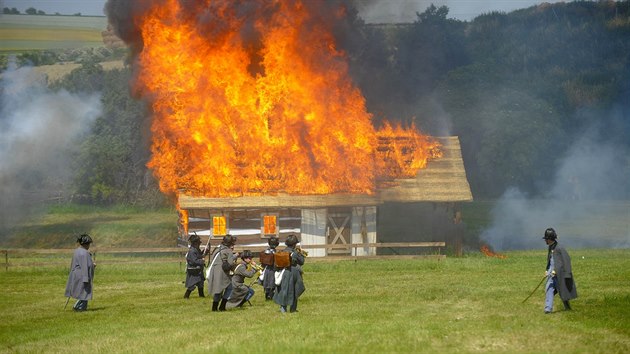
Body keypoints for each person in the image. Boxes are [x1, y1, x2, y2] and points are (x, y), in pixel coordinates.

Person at [543, 227, 577, 313]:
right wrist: (547, 270)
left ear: (550, 239)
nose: (545, 241)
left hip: (559, 274)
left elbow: (566, 260)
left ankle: (567, 306)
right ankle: (548, 309)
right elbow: (550, 260)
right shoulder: (550, 247)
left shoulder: (559, 248)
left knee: (562, 291)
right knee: (548, 289)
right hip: (551, 273)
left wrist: (561, 272)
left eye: (546, 239)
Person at [273, 234, 305, 313]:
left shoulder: (281, 252)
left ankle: (283, 309)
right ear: (294, 244)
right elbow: (302, 262)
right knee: (295, 290)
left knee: (284, 290)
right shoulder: (295, 253)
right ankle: (293, 309)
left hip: (284, 273)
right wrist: (301, 254)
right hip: (294, 273)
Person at [65, 234, 96, 312]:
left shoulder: (77, 251)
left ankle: (82, 308)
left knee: (82, 291)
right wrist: (92, 266)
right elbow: (85, 266)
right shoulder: (84, 253)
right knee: (84, 292)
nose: (89, 245)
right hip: (82, 275)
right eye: (89, 244)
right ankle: (78, 306)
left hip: (77, 274)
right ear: (86, 244)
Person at [207, 234, 238, 311]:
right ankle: (222, 306)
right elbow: (230, 263)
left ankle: (214, 307)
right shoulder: (228, 251)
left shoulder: (217, 248)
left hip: (215, 271)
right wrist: (235, 256)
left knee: (218, 289)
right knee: (230, 288)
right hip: (223, 272)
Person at [184, 234, 207, 299]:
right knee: (192, 284)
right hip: (194, 270)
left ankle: (201, 296)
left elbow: (199, 256)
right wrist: (202, 261)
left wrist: (205, 252)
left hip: (198, 270)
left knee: (200, 283)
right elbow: (194, 261)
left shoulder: (196, 249)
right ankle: (186, 296)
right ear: (195, 243)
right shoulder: (192, 251)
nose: (199, 243)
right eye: (198, 242)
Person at [261, 236, 279, 300]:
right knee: (272, 283)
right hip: (273, 269)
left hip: (267, 269)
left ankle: (267, 295)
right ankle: (270, 296)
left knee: (267, 283)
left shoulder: (265, 251)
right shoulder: (275, 252)